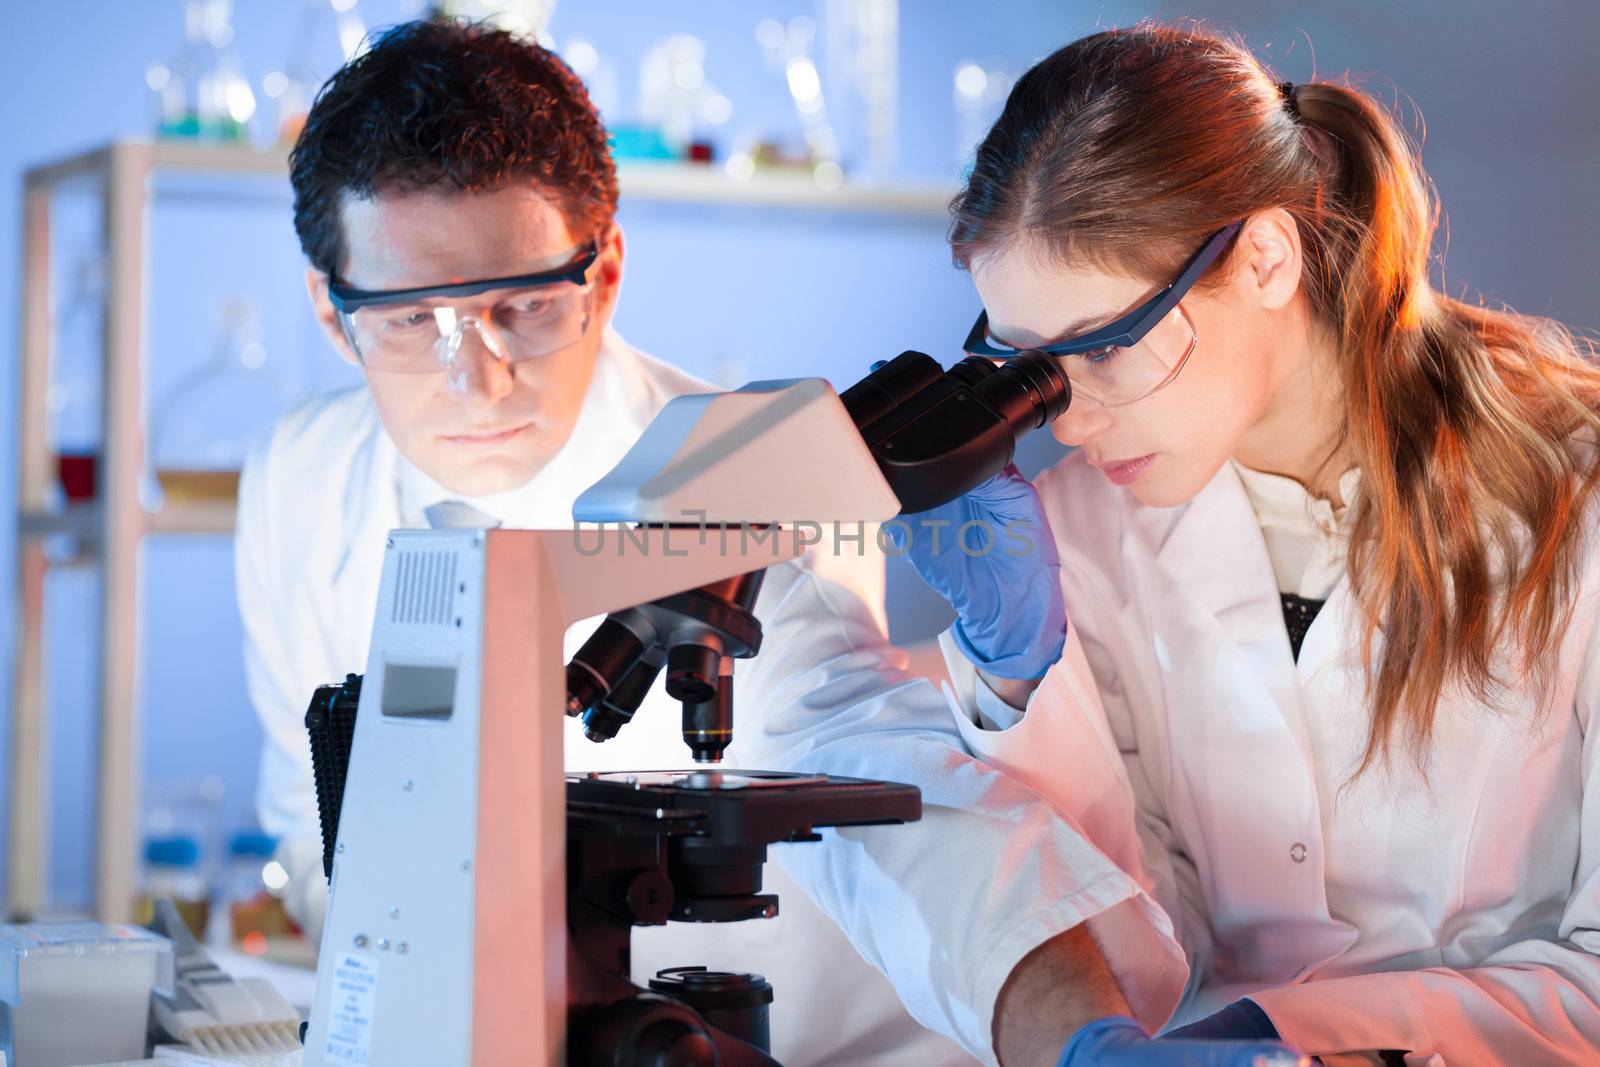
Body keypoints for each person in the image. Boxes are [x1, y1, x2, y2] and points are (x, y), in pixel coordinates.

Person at [234, 18, 991, 1065]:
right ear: (331, 311)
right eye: (410, 321)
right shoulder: (295, 480)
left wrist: (1068, 1019)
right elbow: (312, 819)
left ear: (608, 269)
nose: (476, 377)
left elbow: (883, 773)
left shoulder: (753, 479)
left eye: (526, 306)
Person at [892, 20, 1600, 1067]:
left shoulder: (1574, 493)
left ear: (1265, 256)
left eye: (1107, 348)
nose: (1072, 421)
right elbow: (1135, 953)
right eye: (1031, 367)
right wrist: (1016, 686)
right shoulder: (1085, 528)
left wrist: (1292, 1044)